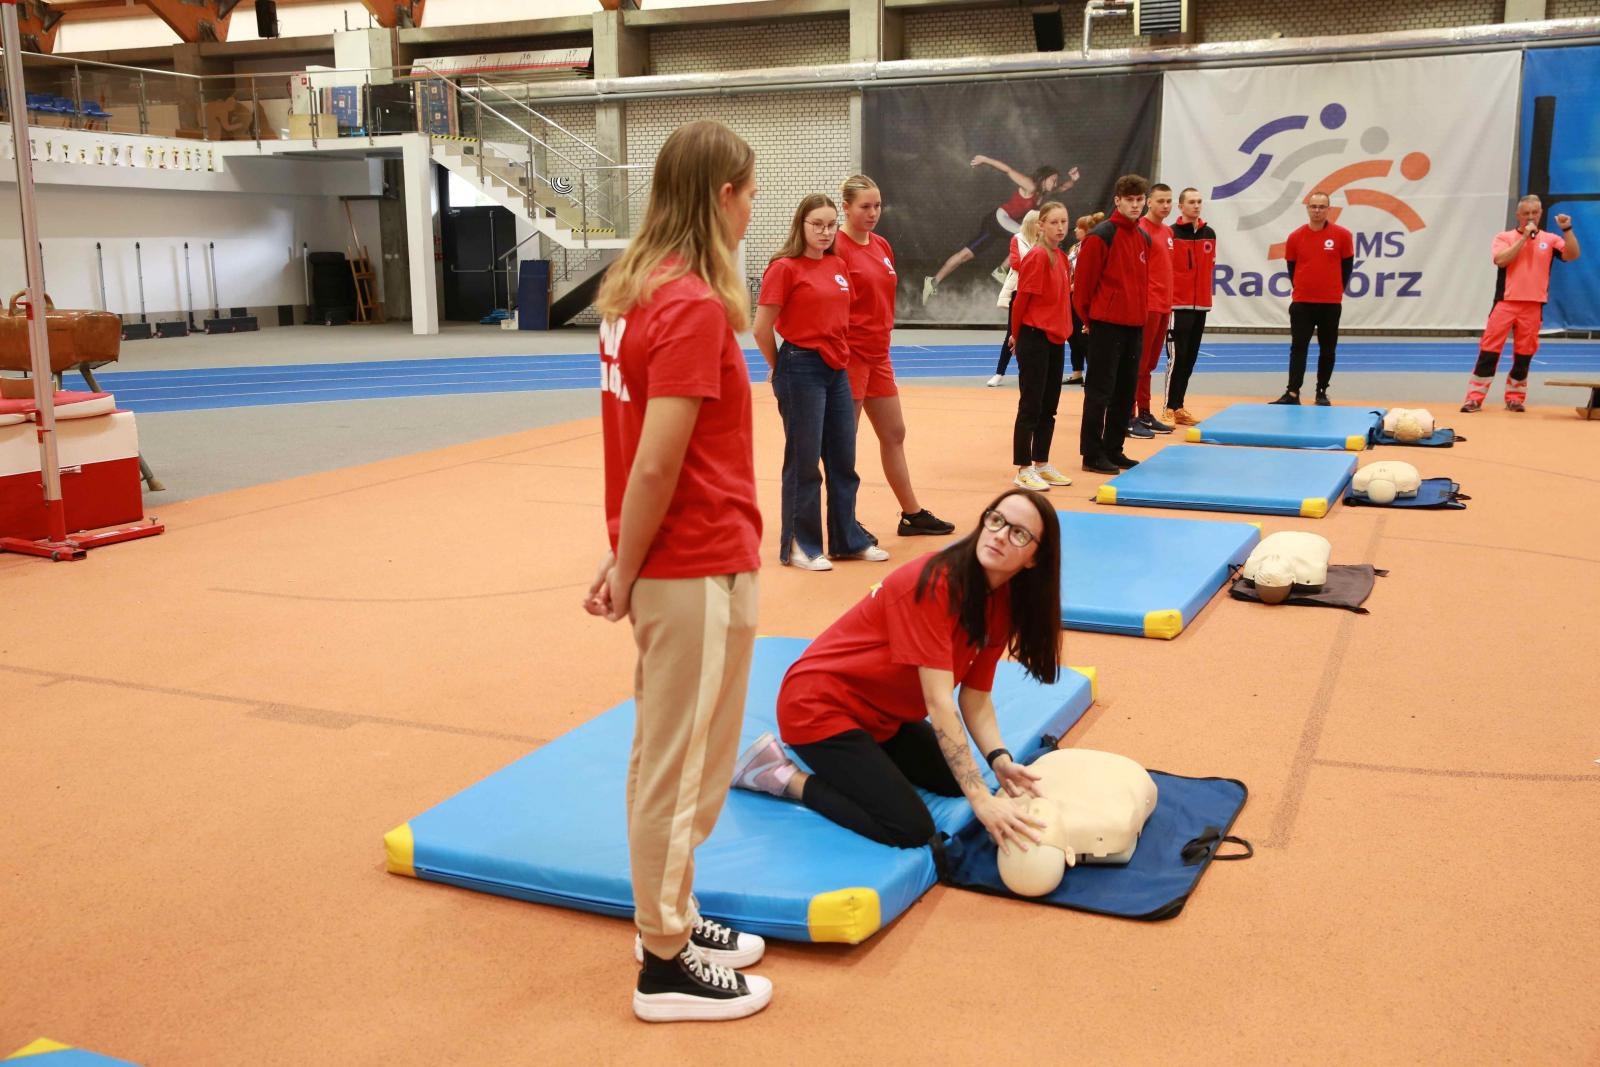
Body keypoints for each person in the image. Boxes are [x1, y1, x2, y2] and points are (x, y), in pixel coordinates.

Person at [586, 119, 771, 1024]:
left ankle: (672, 914)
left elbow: (637, 456)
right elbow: (655, 460)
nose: (754, 207)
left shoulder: (634, 291)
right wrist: (626, 565)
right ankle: (663, 960)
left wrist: (625, 554)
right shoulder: (692, 302)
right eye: (747, 190)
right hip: (693, 556)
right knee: (683, 764)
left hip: (678, 553)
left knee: (668, 754)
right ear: (719, 196)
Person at [729, 490, 1062, 855]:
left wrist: (999, 759)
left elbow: (975, 697)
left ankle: (861, 763)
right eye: (996, 520)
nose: (999, 534)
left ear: (1034, 558)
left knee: (955, 782)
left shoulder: (1002, 601)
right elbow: (939, 704)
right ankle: (778, 775)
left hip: (882, 714)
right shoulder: (935, 583)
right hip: (819, 709)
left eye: (1018, 533)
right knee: (910, 827)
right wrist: (981, 799)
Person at [754, 194, 889, 572]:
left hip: (837, 369)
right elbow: (761, 328)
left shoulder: (838, 265)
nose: (826, 232)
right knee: (804, 461)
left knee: (843, 459)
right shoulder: (784, 268)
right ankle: (801, 543)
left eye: (831, 225)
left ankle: (847, 539)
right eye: (818, 224)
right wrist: (780, 366)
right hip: (801, 367)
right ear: (802, 224)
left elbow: (839, 319)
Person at [834, 174, 956, 539]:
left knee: (894, 432)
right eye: (865, 207)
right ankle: (843, 520)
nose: (873, 213)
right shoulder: (837, 248)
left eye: (878, 206)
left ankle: (911, 514)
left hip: (878, 354)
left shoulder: (882, 245)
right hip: (850, 356)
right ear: (846, 207)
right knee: (844, 442)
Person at [1461, 194, 1580, 413]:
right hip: (1505, 303)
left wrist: (1567, 229)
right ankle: (1474, 398)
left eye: (1535, 212)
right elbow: (1501, 260)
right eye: (1526, 213)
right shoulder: (1504, 237)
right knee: (1489, 350)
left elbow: (1572, 255)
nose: (1530, 217)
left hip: (1534, 305)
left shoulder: (1551, 239)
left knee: (1524, 354)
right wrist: (1524, 238)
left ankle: (1515, 398)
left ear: (1541, 213)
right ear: (1518, 215)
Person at [1073, 174, 1151, 475]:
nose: (1135, 205)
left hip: (1134, 325)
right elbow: (1082, 288)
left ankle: (1114, 449)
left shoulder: (1143, 238)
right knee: (1100, 391)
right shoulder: (1101, 236)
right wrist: (1092, 320)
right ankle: (1091, 454)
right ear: (1117, 200)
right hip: (1106, 326)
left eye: (1138, 200)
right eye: (1129, 200)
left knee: (1125, 391)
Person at [921, 156, 1079, 304]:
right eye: (1053, 179)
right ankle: (1001, 271)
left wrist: (1072, 180)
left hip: (997, 223)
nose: (1055, 183)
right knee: (1029, 235)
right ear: (1044, 178)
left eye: (1056, 181)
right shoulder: (1029, 185)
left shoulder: (1044, 192)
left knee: (965, 255)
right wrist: (984, 160)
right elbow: (1007, 170)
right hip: (999, 219)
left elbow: (1062, 188)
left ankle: (933, 281)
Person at [1007, 201, 1075, 492]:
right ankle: (1023, 468)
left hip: (1056, 339)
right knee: (1031, 405)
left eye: (1064, 222)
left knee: (1049, 407)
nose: (1060, 228)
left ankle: (1042, 462)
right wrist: (1016, 334)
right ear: (1041, 226)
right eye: (1054, 222)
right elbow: (1022, 299)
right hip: (1034, 338)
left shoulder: (1061, 257)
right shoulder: (1036, 257)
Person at [1272, 191, 1353, 406]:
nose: (1317, 210)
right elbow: (1292, 268)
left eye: (1322, 207)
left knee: (1328, 349)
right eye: (1313, 206)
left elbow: (1347, 268)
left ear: (1328, 209)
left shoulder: (1342, 236)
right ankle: (1292, 393)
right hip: (1302, 303)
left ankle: (1321, 391)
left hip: (1330, 304)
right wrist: (1303, 288)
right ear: (1307, 208)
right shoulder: (1295, 237)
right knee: (1298, 347)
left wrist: (1334, 290)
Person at [1165, 187, 1216, 426]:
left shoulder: (1209, 234)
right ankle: (1167, 407)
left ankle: (1179, 406)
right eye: (1192, 202)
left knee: (1190, 359)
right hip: (1176, 306)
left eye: (1199, 202)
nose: (1196, 206)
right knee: (1177, 357)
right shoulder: (1171, 234)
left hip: (1201, 306)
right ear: (1181, 206)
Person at [1131, 183, 1176, 438]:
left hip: (1164, 306)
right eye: (1161, 201)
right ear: (1149, 202)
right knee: (1137, 363)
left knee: (1149, 364)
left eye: (1169, 201)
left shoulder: (1168, 231)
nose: (1166, 206)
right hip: (1147, 305)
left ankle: (1145, 412)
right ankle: (1130, 414)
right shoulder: (1140, 230)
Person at [986, 209, 1040, 388]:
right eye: (1039, 223)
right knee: (1012, 333)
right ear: (1032, 223)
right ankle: (999, 373)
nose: (1042, 226)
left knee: (1036, 334)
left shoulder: (1043, 241)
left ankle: (1032, 373)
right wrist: (1036, 267)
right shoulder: (1018, 238)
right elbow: (1017, 263)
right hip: (1020, 290)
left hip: (1039, 292)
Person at [1063, 212, 1104, 387]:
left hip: (1083, 296)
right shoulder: (1074, 248)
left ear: (1088, 230)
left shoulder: (1092, 247)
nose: (1075, 230)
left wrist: (1076, 286)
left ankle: (1093, 373)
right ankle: (1077, 372)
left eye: (1079, 228)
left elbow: (1089, 273)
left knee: (1085, 337)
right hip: (1069, 297)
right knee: (1072, 335)